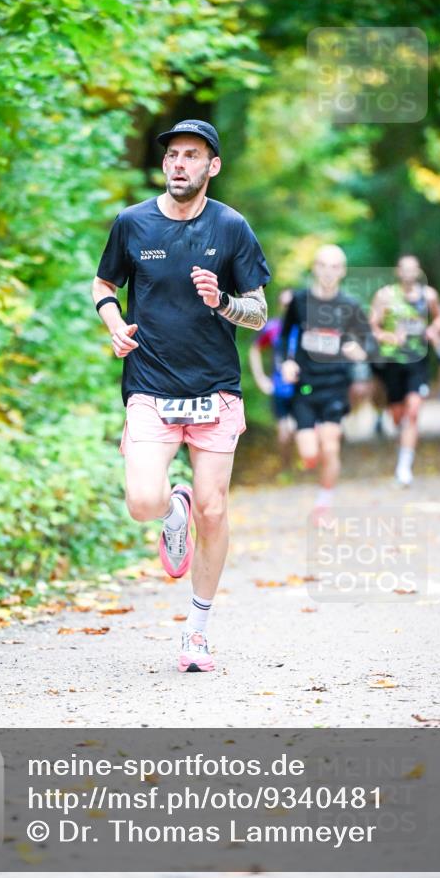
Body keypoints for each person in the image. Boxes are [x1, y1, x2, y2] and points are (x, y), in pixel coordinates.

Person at [91, 119, 271, 672]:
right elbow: (104, 285)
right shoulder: (132, 223)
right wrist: (113, 322)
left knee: (215, 511)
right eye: (172, 155)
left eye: (191, 156)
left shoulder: (232, 226)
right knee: (143, 501)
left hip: (215, 390)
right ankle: (175, 507)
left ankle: (196, 633)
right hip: (149, 384)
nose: (178, 164)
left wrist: (222, 302)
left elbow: (259, 311)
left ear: (212, 167)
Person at [278, 245, 373, 522]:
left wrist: (357, 350)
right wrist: (287, 362)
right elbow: (284, 338)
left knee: (330, 446)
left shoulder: (350, 306)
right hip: (305, 387)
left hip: (335, 385)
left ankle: (324, 503)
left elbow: (364, 343)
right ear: (315, 268)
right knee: (309, 455)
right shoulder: (299, 301)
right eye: (323, 265)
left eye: (334, 266)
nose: (328, 272)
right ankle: (313, 452)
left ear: (342, 271)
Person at [369, 255, 440, 487]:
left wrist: (433, 328)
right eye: (404, 269)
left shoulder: (428, 295)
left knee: (413, 412)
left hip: (418, 362)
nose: (409, 273)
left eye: (413, 269)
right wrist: (389, 336)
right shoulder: (385, 296)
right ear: (398, 272)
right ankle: (403, 442)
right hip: (392, 361)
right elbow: (372, 326)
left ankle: (404, 467)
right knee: (398, 416)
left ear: (418, 272)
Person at [248, 289, 296, 471]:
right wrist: (261, 378)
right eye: (285, 305)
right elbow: (255, 349)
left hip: (303, 389)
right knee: (285, 433)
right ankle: (287, 466)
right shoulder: (273, 327)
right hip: (280, 388)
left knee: (299, 430)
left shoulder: (304, 328)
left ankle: (304, 462)